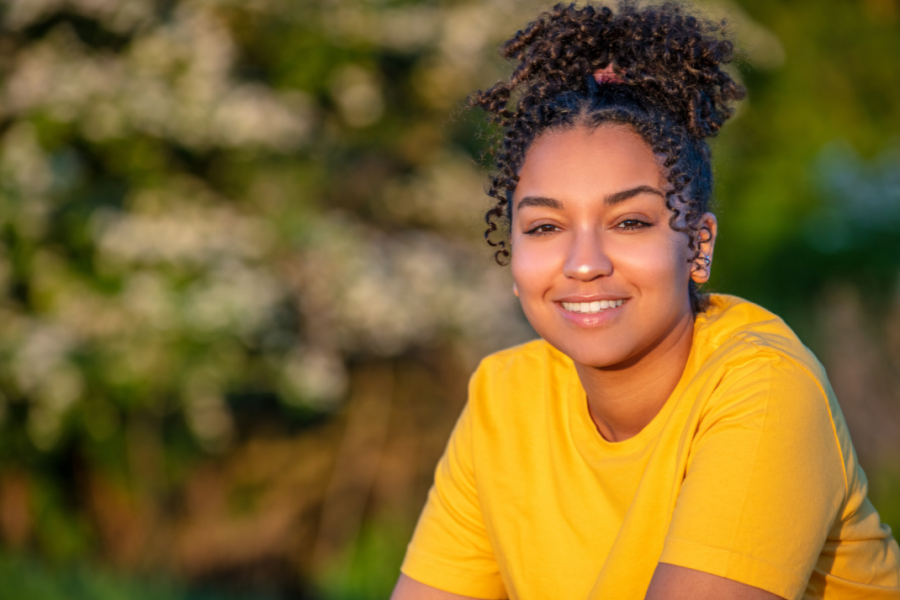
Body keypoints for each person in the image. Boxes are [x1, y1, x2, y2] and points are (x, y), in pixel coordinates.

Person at [390, 2, 900, 599]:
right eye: (545, 228)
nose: (583, 263)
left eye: (629, 222)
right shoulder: (504, 398)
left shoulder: (764, 388)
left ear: (698, 246)